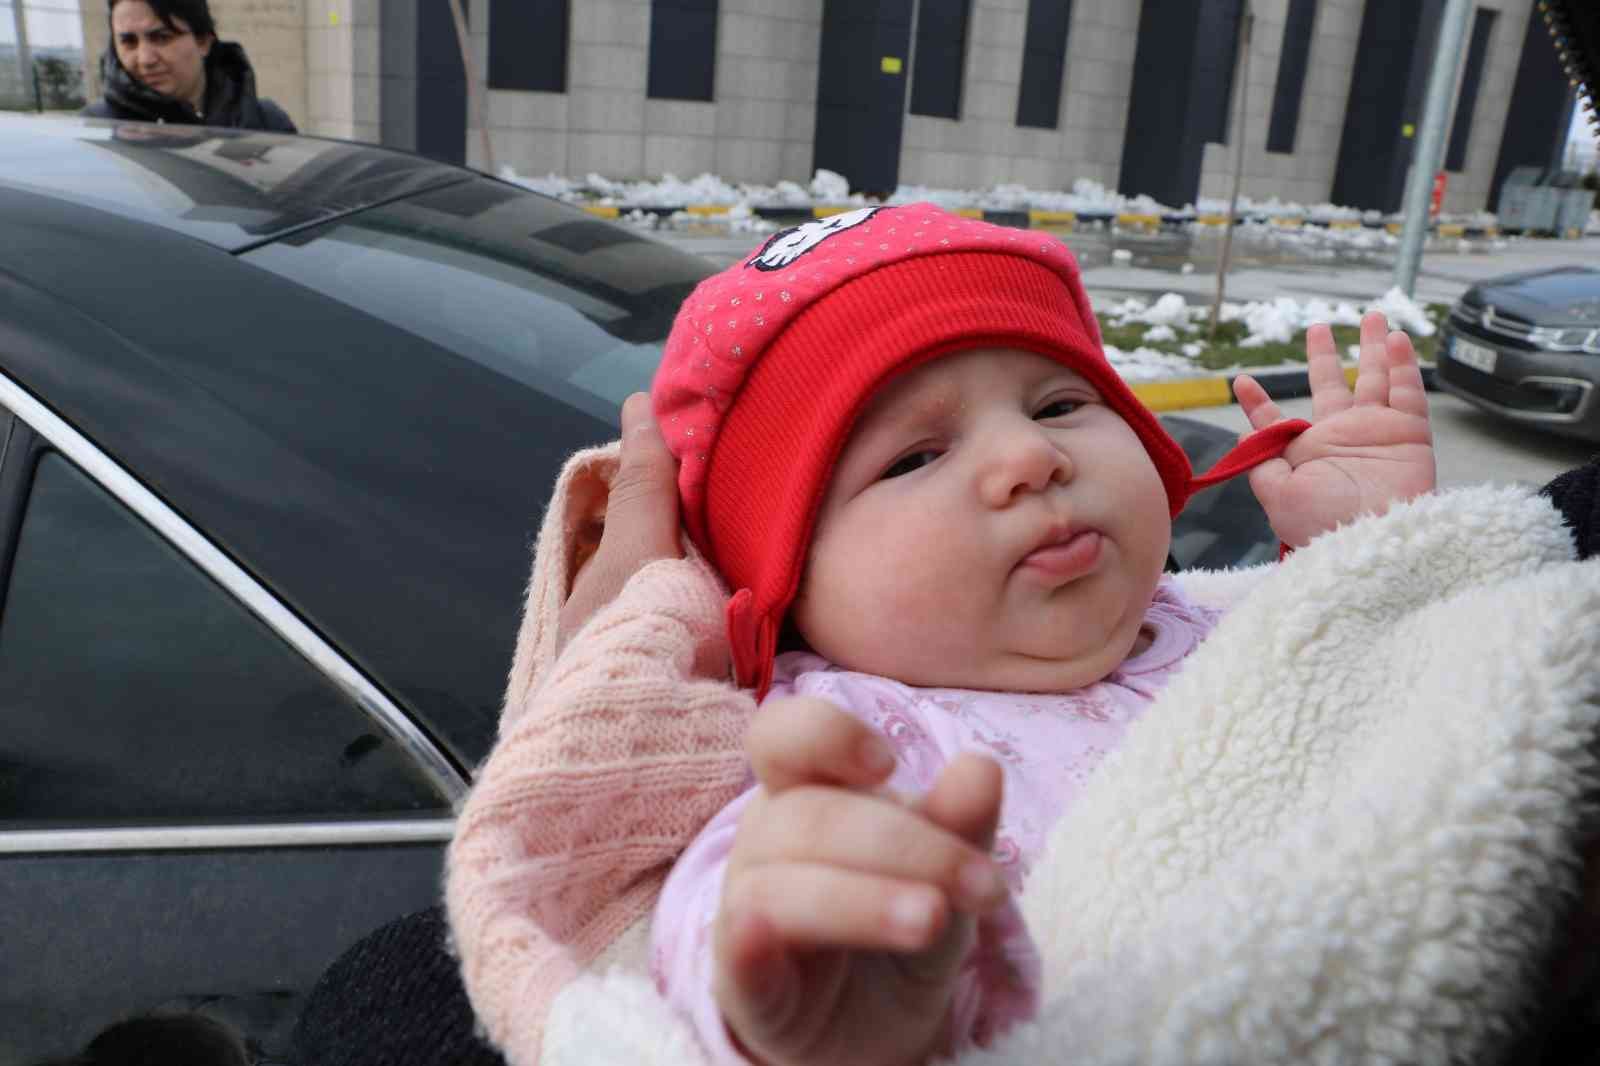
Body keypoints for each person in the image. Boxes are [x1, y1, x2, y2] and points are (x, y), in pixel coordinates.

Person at [630, 203, 1433, 1065]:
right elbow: (736, 893)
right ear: (789, 587)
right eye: (914, 457)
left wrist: (1369, 552)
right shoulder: (850, 742)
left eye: (1059, 403)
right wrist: (807, 997)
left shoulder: (1226, 617)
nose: (1029, 457)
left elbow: (1408, 700)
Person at [81, 0, 296, 132]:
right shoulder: (98, 128)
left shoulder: (267, 121)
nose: (145, 59)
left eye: (162, 38)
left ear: (203, 41)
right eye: (129, 42)